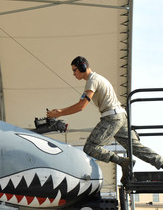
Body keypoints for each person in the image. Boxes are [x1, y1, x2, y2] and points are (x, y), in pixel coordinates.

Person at [47, 56, 163, 184]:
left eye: (75, 70)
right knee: (137, 148)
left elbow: (81, 106)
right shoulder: (96, 78)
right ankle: (161, 163)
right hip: (120, 116)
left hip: (112, 118)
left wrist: (59, 113)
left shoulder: (92, 80)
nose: (73, 74)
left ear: (82, 67)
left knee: (90, 147)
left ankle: (122, 161)